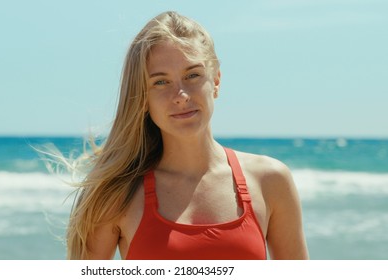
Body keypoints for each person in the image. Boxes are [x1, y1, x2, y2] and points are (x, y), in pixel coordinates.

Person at [67, 11, 309, 260]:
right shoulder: (116, 193)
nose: (181, 95)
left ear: (216, 80)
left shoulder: (270, 181)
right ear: (142, 98)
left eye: (192, 75)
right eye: (161, 82)